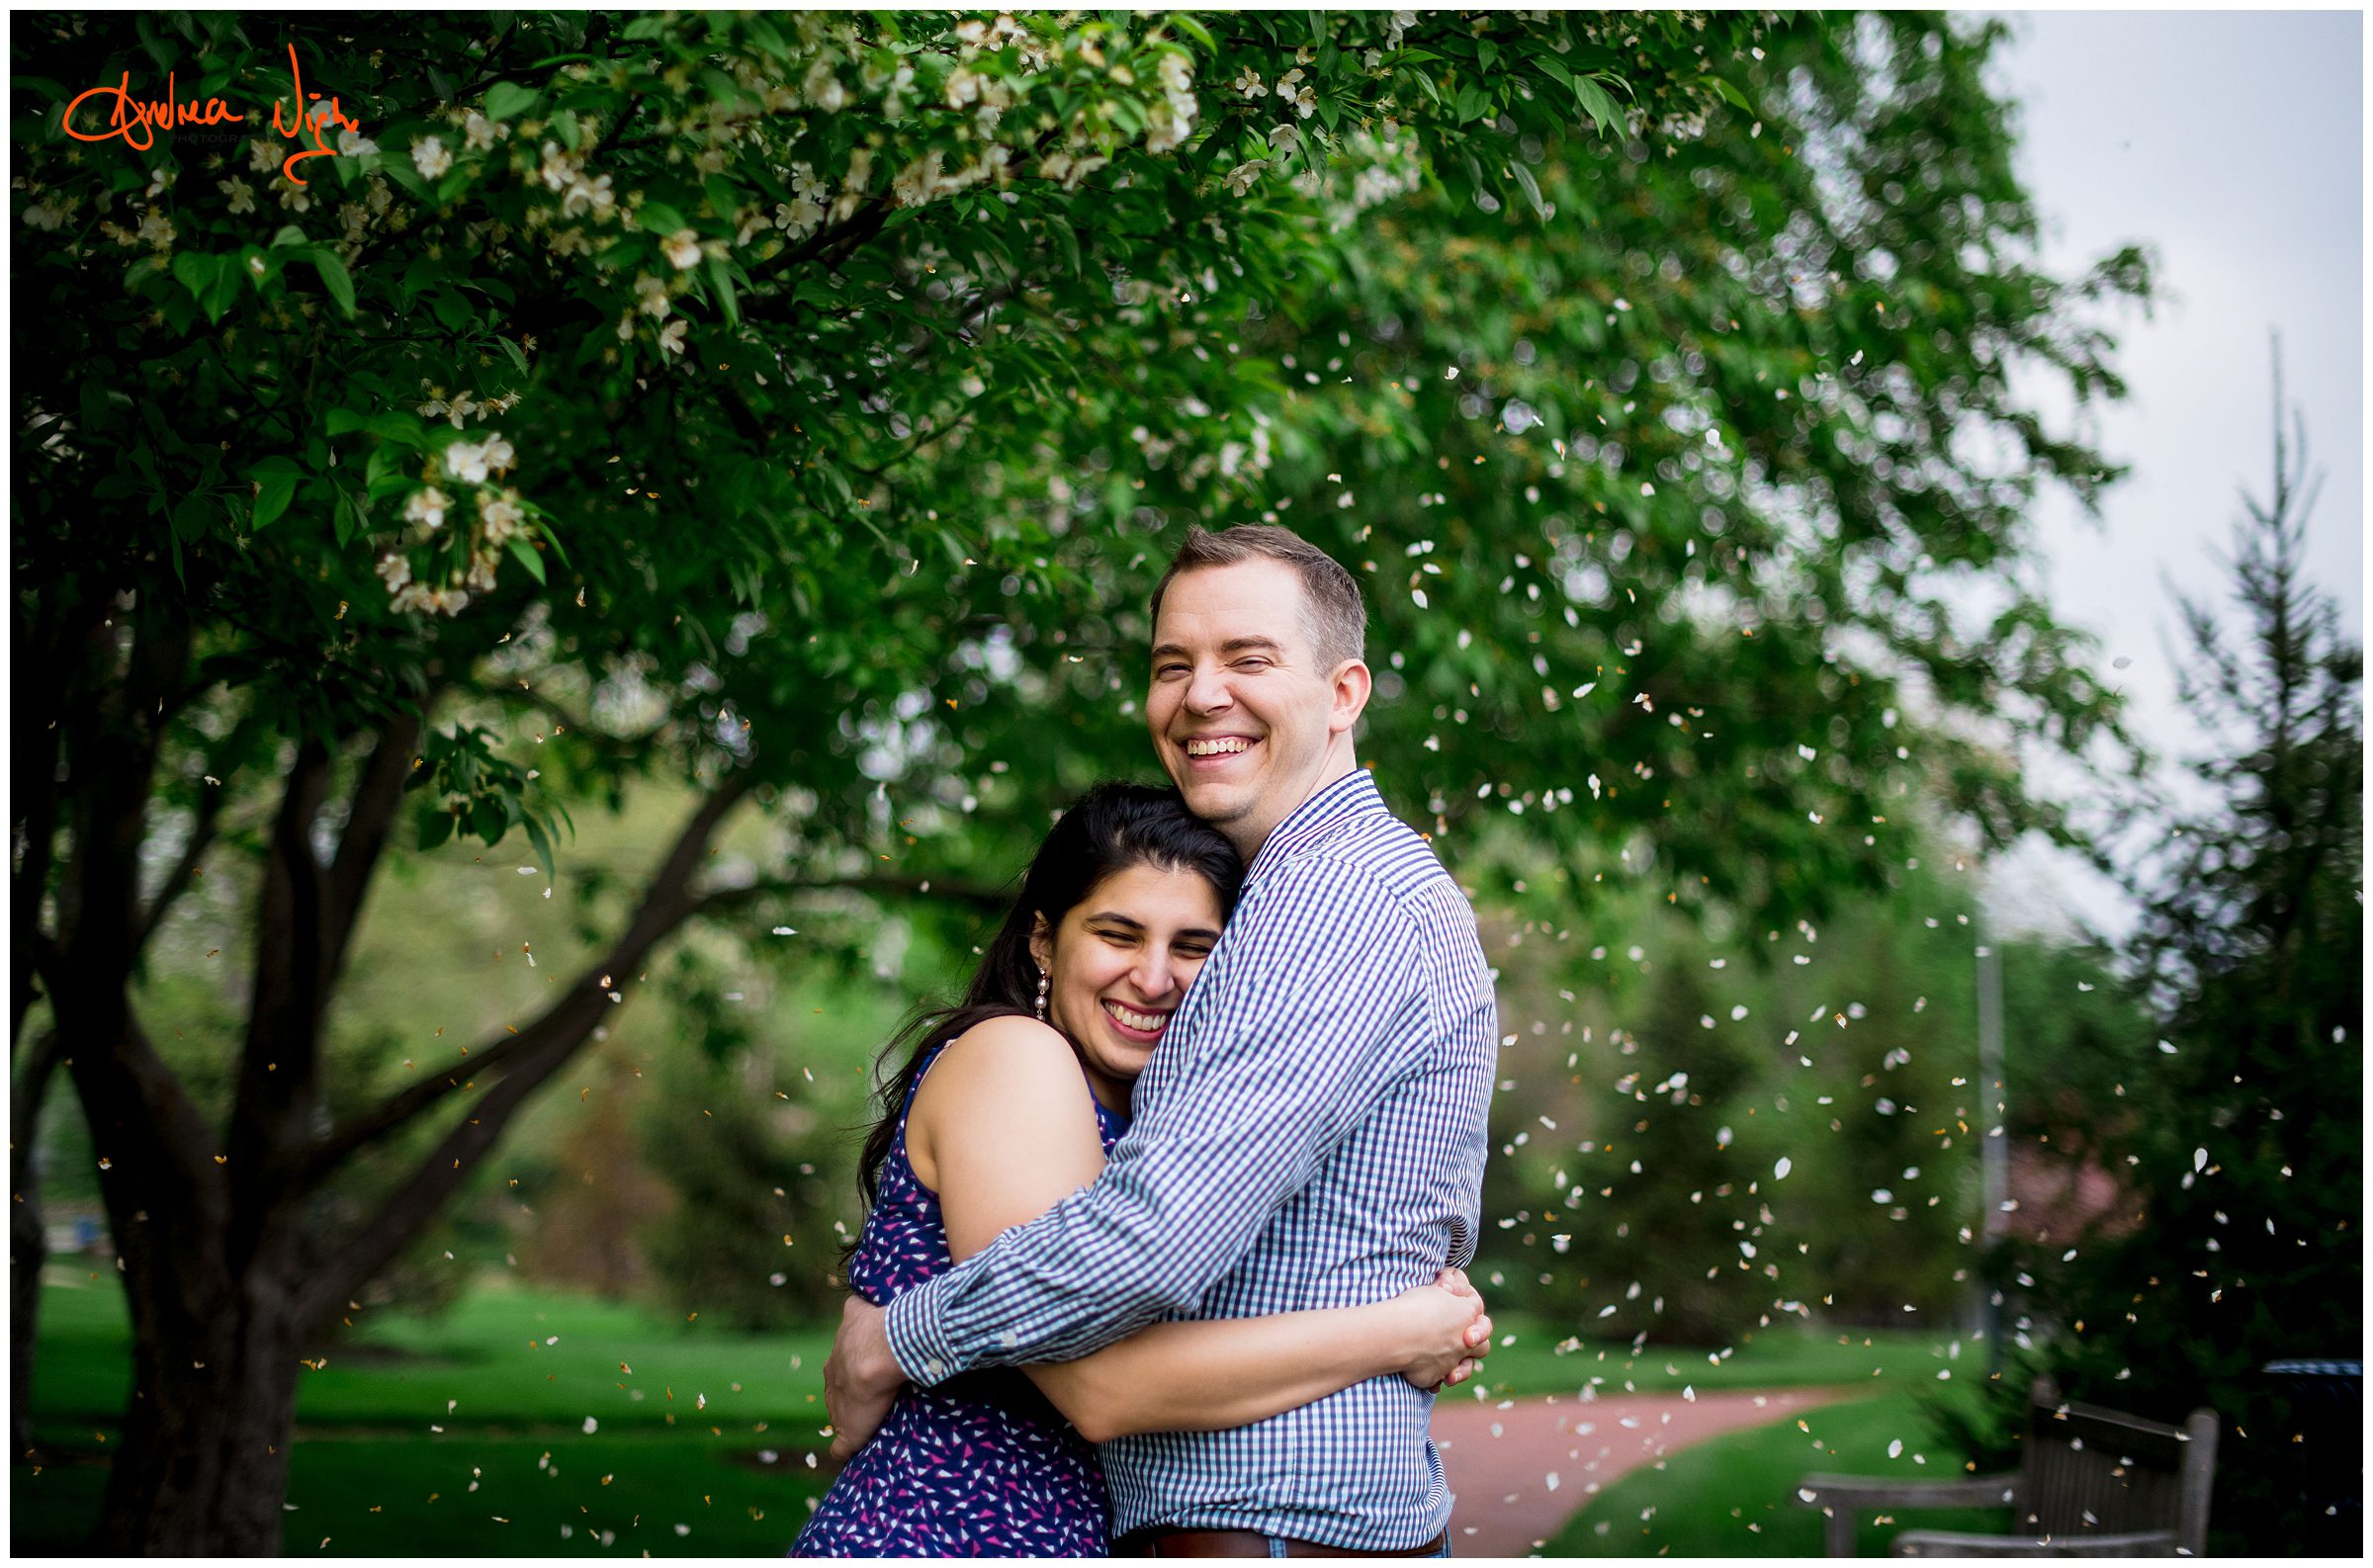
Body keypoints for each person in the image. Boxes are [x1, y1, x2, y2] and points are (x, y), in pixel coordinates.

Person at [828, 525, 1499, 1556]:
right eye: (1172, 664)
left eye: (1249, 658)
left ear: (1345, 692)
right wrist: (1406, 1326)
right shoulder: (1294, 901)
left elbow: (1152, 1242)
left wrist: (900, 1334)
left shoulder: (1335, 902)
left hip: (1266, 1523)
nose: (1200, 694)